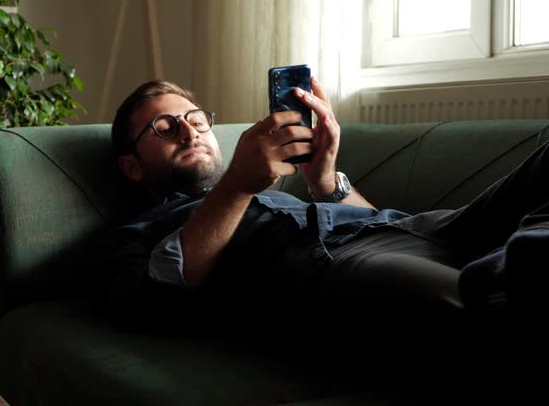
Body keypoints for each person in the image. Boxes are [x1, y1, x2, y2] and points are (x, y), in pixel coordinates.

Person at [101, 78, 549, 338]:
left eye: (196, 120)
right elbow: (148, 299)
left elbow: (371, 220)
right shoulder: (137, 233)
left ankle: (522, 251)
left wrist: (323, 180)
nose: (189, 131)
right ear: (131, 166)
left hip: (414, 230)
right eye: (165, 127)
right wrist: (236, 187)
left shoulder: (271, 192)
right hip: (332, 269)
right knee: (477, 306)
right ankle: (519, 257)